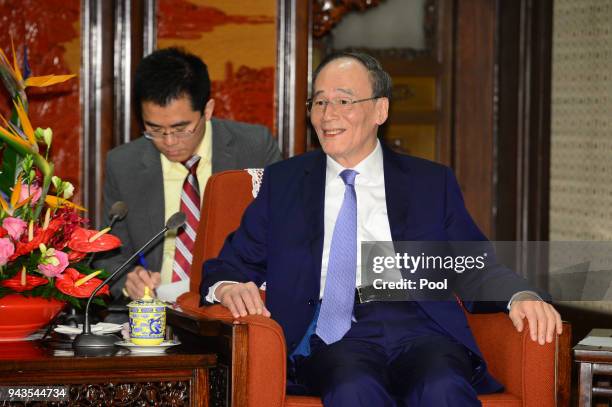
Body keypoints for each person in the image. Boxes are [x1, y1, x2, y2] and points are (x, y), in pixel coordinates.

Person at [199, 52, 562, 406]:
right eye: (319, 102)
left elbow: (473, 264)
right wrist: (227, 286)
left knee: (443, 387)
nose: (328, 115)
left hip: (420, 327)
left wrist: (520, 295)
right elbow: (229, 264)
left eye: (344, 100)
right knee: (352, 387)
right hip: (336, 336)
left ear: (381, 110)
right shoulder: (284, 184)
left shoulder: (429, 182)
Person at [98, 47, 282, 301]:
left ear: (207, 110)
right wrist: (129, 279)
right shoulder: (123, 163)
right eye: (154, 129)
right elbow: (107, 254)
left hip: (229, 307)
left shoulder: (253, 149)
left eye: (181, 128)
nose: (169, 141)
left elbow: (281, 235)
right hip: (153, 311)